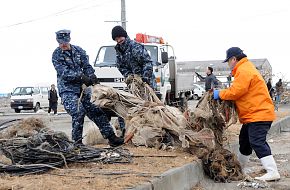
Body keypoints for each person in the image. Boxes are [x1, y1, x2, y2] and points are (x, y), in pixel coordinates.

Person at [213, 47, 280, 181]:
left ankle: (272, 171)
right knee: (244, 141)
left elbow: (236, 91)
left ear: (234, 59)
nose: (228, 64)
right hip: (253, 115)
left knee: (257, 141)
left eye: (228, 61)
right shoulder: (244, 69)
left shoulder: (244, 70)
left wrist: (219, 94)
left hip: (259, 114)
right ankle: (240, 168)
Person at [52, 29, 123, 147]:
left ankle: (111, 137)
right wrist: (81, 77)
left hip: (83, 89)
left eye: (65, 42)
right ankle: (77, 143)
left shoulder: (79, 51)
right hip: (68, 90)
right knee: (78, 112)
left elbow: (87, 66)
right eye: (60, 43)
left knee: (96, 111)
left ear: (69, 40)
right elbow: (64, 73)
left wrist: (91, 76)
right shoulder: (57, 55)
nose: (63, 45)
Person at [111, 25, 157, 90]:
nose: (118, 40)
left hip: (147, 83)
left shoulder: (135, 47)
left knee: (148, 100)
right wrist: (130, 77)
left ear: (124, 35)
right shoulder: (119, 51)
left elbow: (147, 62)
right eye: (116, 39)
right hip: (134, 86)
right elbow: (121, 67)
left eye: (119, 37)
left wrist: (145, 78)